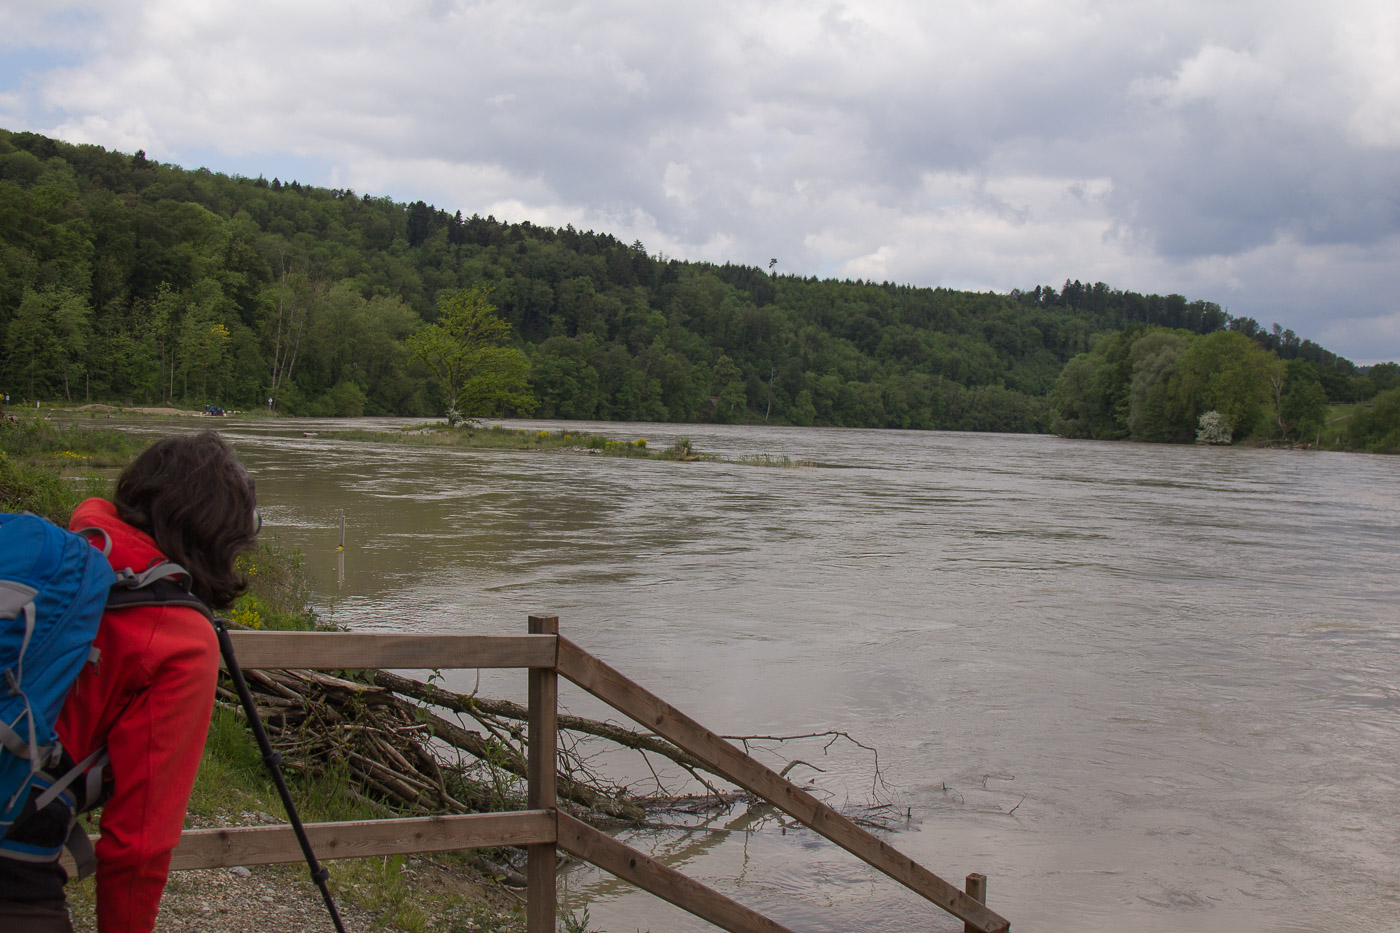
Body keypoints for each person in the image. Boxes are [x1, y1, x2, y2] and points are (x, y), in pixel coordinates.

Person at [0, 432, 260, 932]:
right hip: (12, 857)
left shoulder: (69, 559)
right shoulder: (181, 638)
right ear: (221, 535)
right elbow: (139, 843)